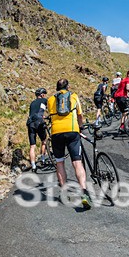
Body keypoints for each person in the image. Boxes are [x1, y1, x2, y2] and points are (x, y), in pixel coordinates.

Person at [47, 79, 90, 209]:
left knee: (60, 162)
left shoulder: (50, 100)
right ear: (68, 87)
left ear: (57, 88)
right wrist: (80, 127)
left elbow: (50, 115)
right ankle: (84, 192)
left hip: (56, 132)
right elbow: (80, 115)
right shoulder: (74, 96)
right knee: (77, 162)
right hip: (72, 131)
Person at [26, 87, 48, 171]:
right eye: (44, 94)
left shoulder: (32, 103)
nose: (45, 95)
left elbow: (35, 112)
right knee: (44, 141)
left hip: (30, 123)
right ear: (42, 95)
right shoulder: (44, 100)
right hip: (39, 122)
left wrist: (42, 116)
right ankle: (43, 159)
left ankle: (33, 166)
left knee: (32, 146)